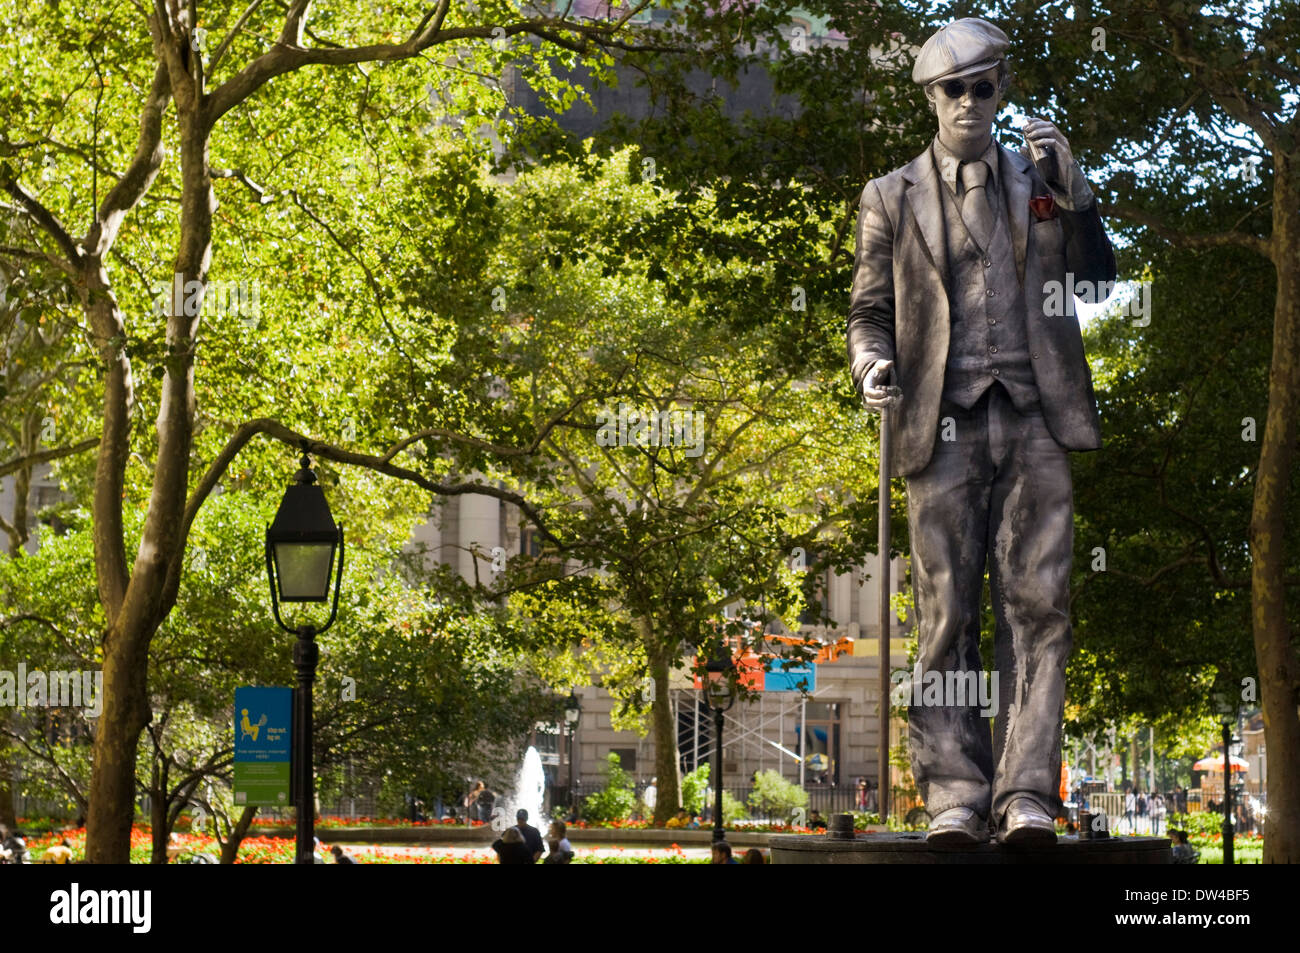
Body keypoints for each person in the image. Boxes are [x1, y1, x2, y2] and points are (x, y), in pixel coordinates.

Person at [848, 17, 1116, 848]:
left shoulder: (1043, 182)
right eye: (952, 89)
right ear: (931, 97)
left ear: (1002, 89)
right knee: (946, 616)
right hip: (941, 425)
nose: (969, 101)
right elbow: (868, 311)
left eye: (983, 85)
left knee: (1041, 608)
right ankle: (956, 795)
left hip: (1037, 415)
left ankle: (1028, 792)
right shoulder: (890, 196)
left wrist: (1080, 200)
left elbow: (1098, 283)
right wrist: (871, 367)